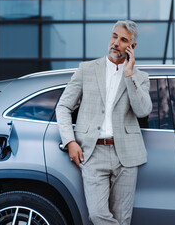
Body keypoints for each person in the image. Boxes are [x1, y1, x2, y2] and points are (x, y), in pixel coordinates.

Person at [55, 20, 152, 225]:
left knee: (122, 219)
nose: (116, 42)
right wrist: (70, 141)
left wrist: (129, 74)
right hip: (92, 152)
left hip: (126, 154)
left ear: (132, 47)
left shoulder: (140, 77)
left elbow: (143, 110)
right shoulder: (86, 69)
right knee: (97, 215)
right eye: (114, 36)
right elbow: (63, 107)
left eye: (123, 39)